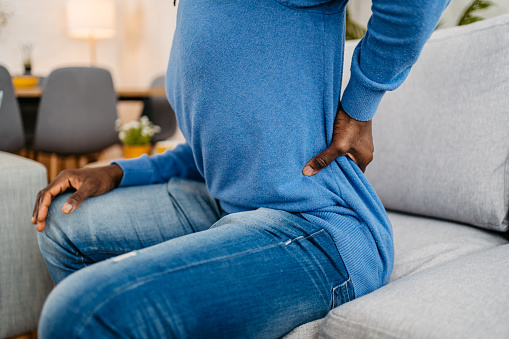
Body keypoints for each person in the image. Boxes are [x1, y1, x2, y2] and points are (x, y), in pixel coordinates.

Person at [33, 0, 450, 337]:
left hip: (314, 223)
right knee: (62, 220)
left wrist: (361, 104)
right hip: (225, 205)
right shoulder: (194, 15)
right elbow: (208, 153)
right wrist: (120, 171)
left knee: (83, 313)